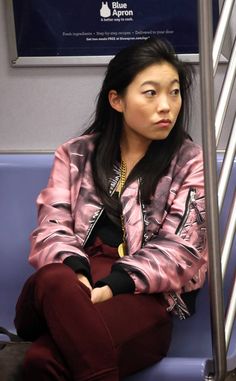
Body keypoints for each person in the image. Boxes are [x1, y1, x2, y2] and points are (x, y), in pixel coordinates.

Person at [14, 37, 207, 381]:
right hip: (70, 285)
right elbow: (51, 227)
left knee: (42, 361)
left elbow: (181, 249)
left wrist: (113, 285)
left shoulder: (189, 161)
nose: (167, 106)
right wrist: (78, 275)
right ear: (117, 100)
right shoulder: (76, 154)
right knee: (55, 278)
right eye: (151, 93)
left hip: (144, 295)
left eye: (174, 92)